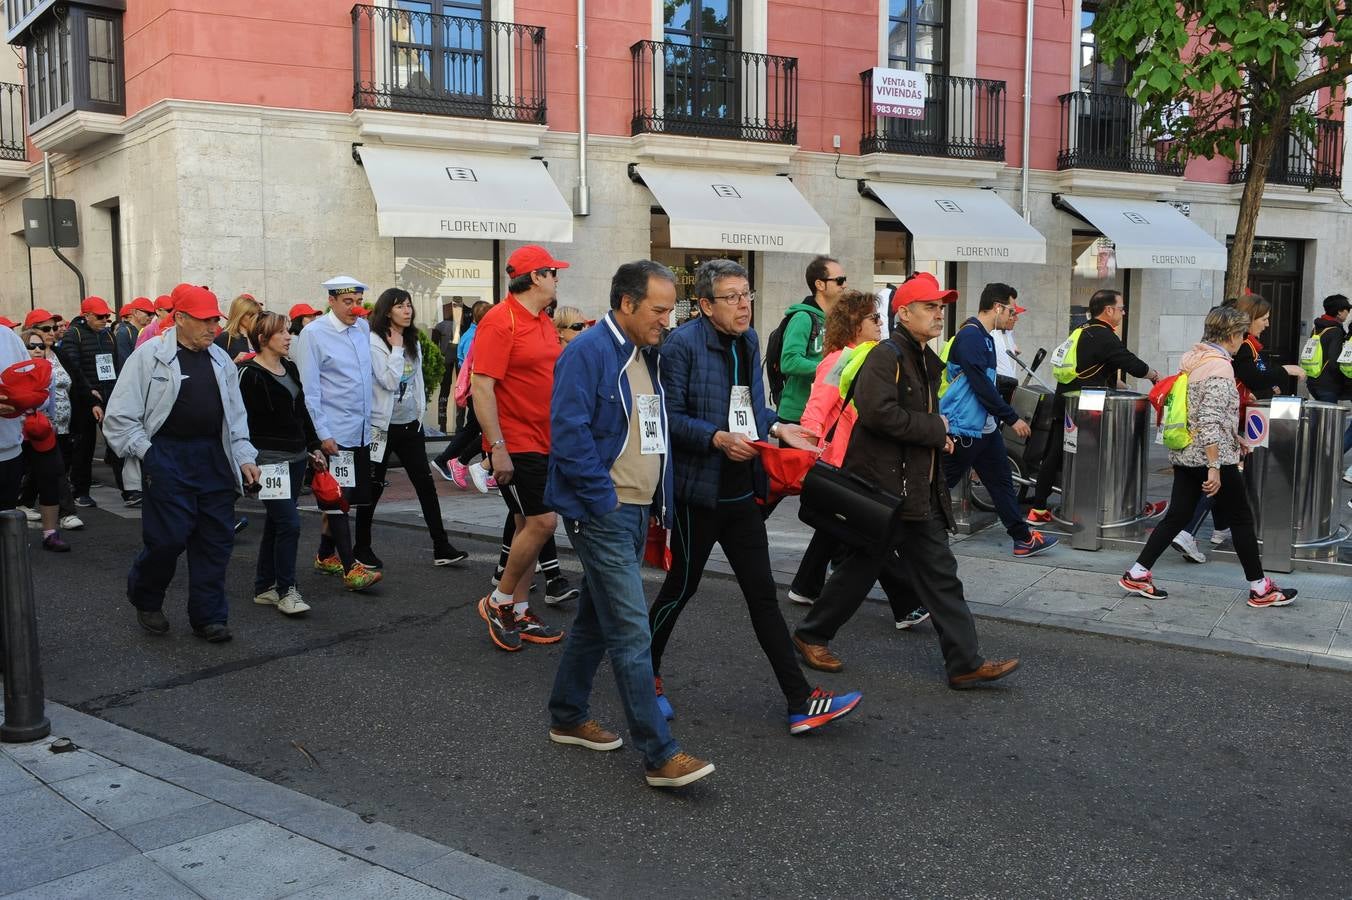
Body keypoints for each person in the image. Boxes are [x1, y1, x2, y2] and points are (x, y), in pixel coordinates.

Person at [649, 258, 862, 729]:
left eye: (747, 295)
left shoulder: (746, 341)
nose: (743, 306)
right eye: (732, 297)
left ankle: (799, 701)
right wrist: (716, 438)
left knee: (763, 597)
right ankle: (645, 676)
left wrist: (780, 426)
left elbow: (748, 406)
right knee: (680, 589)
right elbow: (670, 416)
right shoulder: (679, 346)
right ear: (704, 305)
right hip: (696, 494)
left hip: (742, 492)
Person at [793, 272, 1020, 688]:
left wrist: (940, 438)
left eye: (940, 308)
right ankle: (810, 635)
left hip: (914, 489)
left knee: (939, 575)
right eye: (930, 307)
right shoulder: (887, 356)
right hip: (887, 488)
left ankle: (964, 662)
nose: (939, 315)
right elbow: (878, 413)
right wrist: (935, 429)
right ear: (905, 313)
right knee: (862, 569)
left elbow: (906, 420)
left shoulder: (918, 356)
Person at [544, 260, 717, 788]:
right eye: (659, 309)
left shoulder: (648, 354)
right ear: (626, 304)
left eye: (670, 309)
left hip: (635, 508)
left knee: (597, 622)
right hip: (606, 511)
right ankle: (659, 753)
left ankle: (568, 715)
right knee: (629, 629)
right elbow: (568, 432)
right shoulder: (588, 351)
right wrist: (600, 502)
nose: (668, 319)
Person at [103, 286, 261, 642]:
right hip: (168, 456)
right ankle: (146, 596)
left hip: (213, 458)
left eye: (215, 321)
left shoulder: (220, 360)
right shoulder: (148, 357)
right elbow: (120, 417)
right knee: (167, 540)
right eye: (204, 321)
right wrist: (148, 453)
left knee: (215, 541)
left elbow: (235, 419)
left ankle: (208, 617)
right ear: (180, 319)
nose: (213, 328)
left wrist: (245, 457)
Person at [1119, 306, 1298, 609]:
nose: (1244, 340)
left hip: (1187, 453)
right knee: (1241, 519)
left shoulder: (1194, 359)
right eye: (1242, 334)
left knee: (1177, 515)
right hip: (1211, 456)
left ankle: (1138, 572)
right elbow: (1209, 418)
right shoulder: (1219, 367)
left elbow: (1202, 412)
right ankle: (1260, 588)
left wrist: (1235, 436)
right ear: (1232, 334)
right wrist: (1215, 467)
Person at [791, 289, 928, 628]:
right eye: (874, 318)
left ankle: (805, 586)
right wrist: (808, 449)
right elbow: (817, 409)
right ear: (854, 323)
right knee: (872, 533)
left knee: (843, 530)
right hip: (843, 461)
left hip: (858, 459)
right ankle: (906, 603)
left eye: (880, 317)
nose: (882, 323)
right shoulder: (842, 359)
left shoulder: (872, 356)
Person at [474, 246, 572, 650]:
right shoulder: (500, 320)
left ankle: (518, 608)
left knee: (525, 526)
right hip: (516, 441)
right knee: (543, 523)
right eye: (552, 272)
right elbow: (482, 387)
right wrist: (497, 447)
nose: (557, 278)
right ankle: (498, 601)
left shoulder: (543, 320)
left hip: (546, 438)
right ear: (535, 277)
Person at [1169, 294, 1305, 563]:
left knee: (1216, 485)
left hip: (1231, 427)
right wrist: (1283, 371)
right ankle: (1188, 533)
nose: (1267, 324)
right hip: (1226, 427)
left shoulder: (1227, 352)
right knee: (1218, 484)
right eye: (1263, 319)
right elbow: (1222, 400)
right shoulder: (1230, 355)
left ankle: (1214, 530)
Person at [355, 287, 468, 568]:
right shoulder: (374, 342)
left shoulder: (412, 339)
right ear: (386, 311)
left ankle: (441, 546)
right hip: (382, 427)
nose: (407, 311)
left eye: (408, 305)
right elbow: (389, 381)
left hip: (409, 426)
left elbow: (416, 379)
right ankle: (361, 547)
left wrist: (419, 411)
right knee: (374, 486)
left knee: (425, 486)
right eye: (399, 306)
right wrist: (394, 348)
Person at [942, 282, 1057, 557]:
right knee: (938, 484)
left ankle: (1022, 538)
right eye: (1011, 310)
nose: (1013, 316)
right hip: (965, 428)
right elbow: (980, 384)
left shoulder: (987, 337)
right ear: (997, 307)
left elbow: (988, 383)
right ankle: (898, 533)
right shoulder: (970, 336)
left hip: (984, 428)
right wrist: (1011, 416)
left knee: (1002, 482)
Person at [1027, 289, 1160, 524]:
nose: (1123, 313)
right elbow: (1129, 362)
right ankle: (1095, 507)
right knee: (1090, 457)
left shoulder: (1083, 331)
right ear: (1108, 310)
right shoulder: (1103, 334)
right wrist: (1153, 375)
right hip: (1085, 407)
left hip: (1067, 401)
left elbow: (1094, 365)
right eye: (1121, 308)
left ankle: (1038, 509)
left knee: (1055, 454)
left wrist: (1118, 384)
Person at [293, 276, 381, 592]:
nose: (355, 308)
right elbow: (310, 391)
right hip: (333, 432)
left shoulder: (362, 329)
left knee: (345, 496)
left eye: (358, 302)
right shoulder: (313, 335)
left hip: (359, 430)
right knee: (337, 498)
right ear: (331, 301)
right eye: (348, 302)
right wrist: (323, 434)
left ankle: (324, 554)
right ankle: (350, 567)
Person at [238, 311, 325, 616]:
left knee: (278, 524)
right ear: (262, 339)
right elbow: (240, 423)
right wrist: (246, 462)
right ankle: (287, 590)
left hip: (298, 458)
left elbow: (302, 411)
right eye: (282, 333)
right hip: (269, 463)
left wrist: (314, 446)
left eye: (289, 331)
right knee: (289, 523)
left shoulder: (289, 366)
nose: (289, 337)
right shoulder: (248, 374)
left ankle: (264, 587)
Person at [55, 296, 127, 508]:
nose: (104, 320)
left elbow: (114, 366)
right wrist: (89, 393)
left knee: (117, 444)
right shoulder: (73, 335)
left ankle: (129, 490)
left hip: (108, 396)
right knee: (84, 447)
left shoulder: (109, 337)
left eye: (107, 316)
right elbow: (74, 370)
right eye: (100, 316)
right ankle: (81, 491)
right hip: (84, 400)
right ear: (86, 316)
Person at [18, 321, 82, 532]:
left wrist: (52, 423)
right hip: (17, 433)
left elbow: (54, 399)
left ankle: (63, 517)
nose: (37, 349)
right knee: (26, 472)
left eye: (40, 346)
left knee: (55, 469)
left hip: (44, 430)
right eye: (31, 346)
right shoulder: (13, 370)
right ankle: (22, 504)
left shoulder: (50, 368)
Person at [776, 255, 845, 424]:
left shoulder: (836, 321)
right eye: (839, 280)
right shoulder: (802, 318)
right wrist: (831, 369)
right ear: (820, 284)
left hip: (823, 411)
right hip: (797, 414)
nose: (845, 285)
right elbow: (789, 361)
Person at [1304, 294, 1351, 481]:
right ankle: (1325, 464)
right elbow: (1334, 360)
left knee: (1322, 425)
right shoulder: (1336, 331)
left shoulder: (1318, 326)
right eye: (1347, 309)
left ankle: (1316, 461)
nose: (1348, 313)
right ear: (1340, 311)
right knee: (1330, 427)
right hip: (1327, 385)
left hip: (1314, 381)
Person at [0, 324, 32, 511]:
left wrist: (23, 400)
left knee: (6, 525)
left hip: (10, 452)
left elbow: (33, 386)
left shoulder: (8, 337)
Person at [430, 302, 459, 432]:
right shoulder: (441, 326)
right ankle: (447, 423)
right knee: (455, 390)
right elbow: (434, 346)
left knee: (446, 390)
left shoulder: (440, 326)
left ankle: (444, 423)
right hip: (451, 359)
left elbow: (434, 345)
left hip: (449, 359)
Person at [992, 294, 1024, 403]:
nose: (1016, 319)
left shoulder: (1008, 334)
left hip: (1009, 388)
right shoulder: (992, 334)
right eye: (1013, 314)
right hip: (997, 389)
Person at [215, 293, 261, 361]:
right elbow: (215, 368)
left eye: (258, 315)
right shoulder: (225, 337)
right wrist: (234, 362)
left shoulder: (260, 336)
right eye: (251, 315)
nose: (255, 318)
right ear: (239, 315)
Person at [113, 298, 154, 370]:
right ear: (135, 312)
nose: (150, 317)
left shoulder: (147, 331)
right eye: (148, 313)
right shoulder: (123, 333)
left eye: (153, 314)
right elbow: (124, 363)